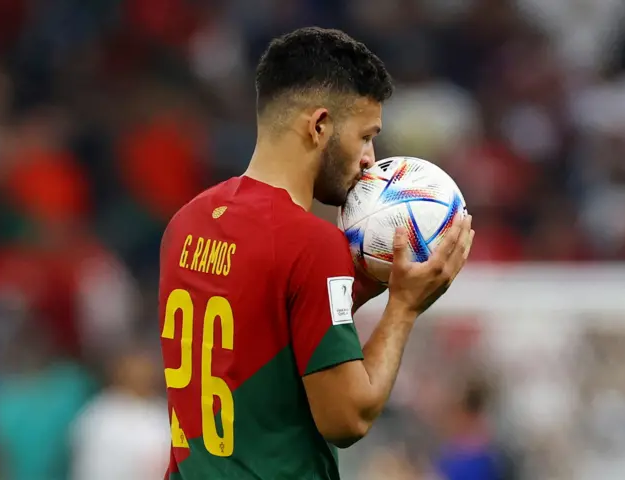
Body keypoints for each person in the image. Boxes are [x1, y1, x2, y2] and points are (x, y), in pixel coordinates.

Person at [158, 26, 474, 480]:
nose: (370, 159)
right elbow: (348, 418)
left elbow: (260, 345)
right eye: (366, 136)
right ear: (320, 125)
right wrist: (404, 307)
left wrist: (359, 289)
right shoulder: (310, 242)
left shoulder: (187, 222)